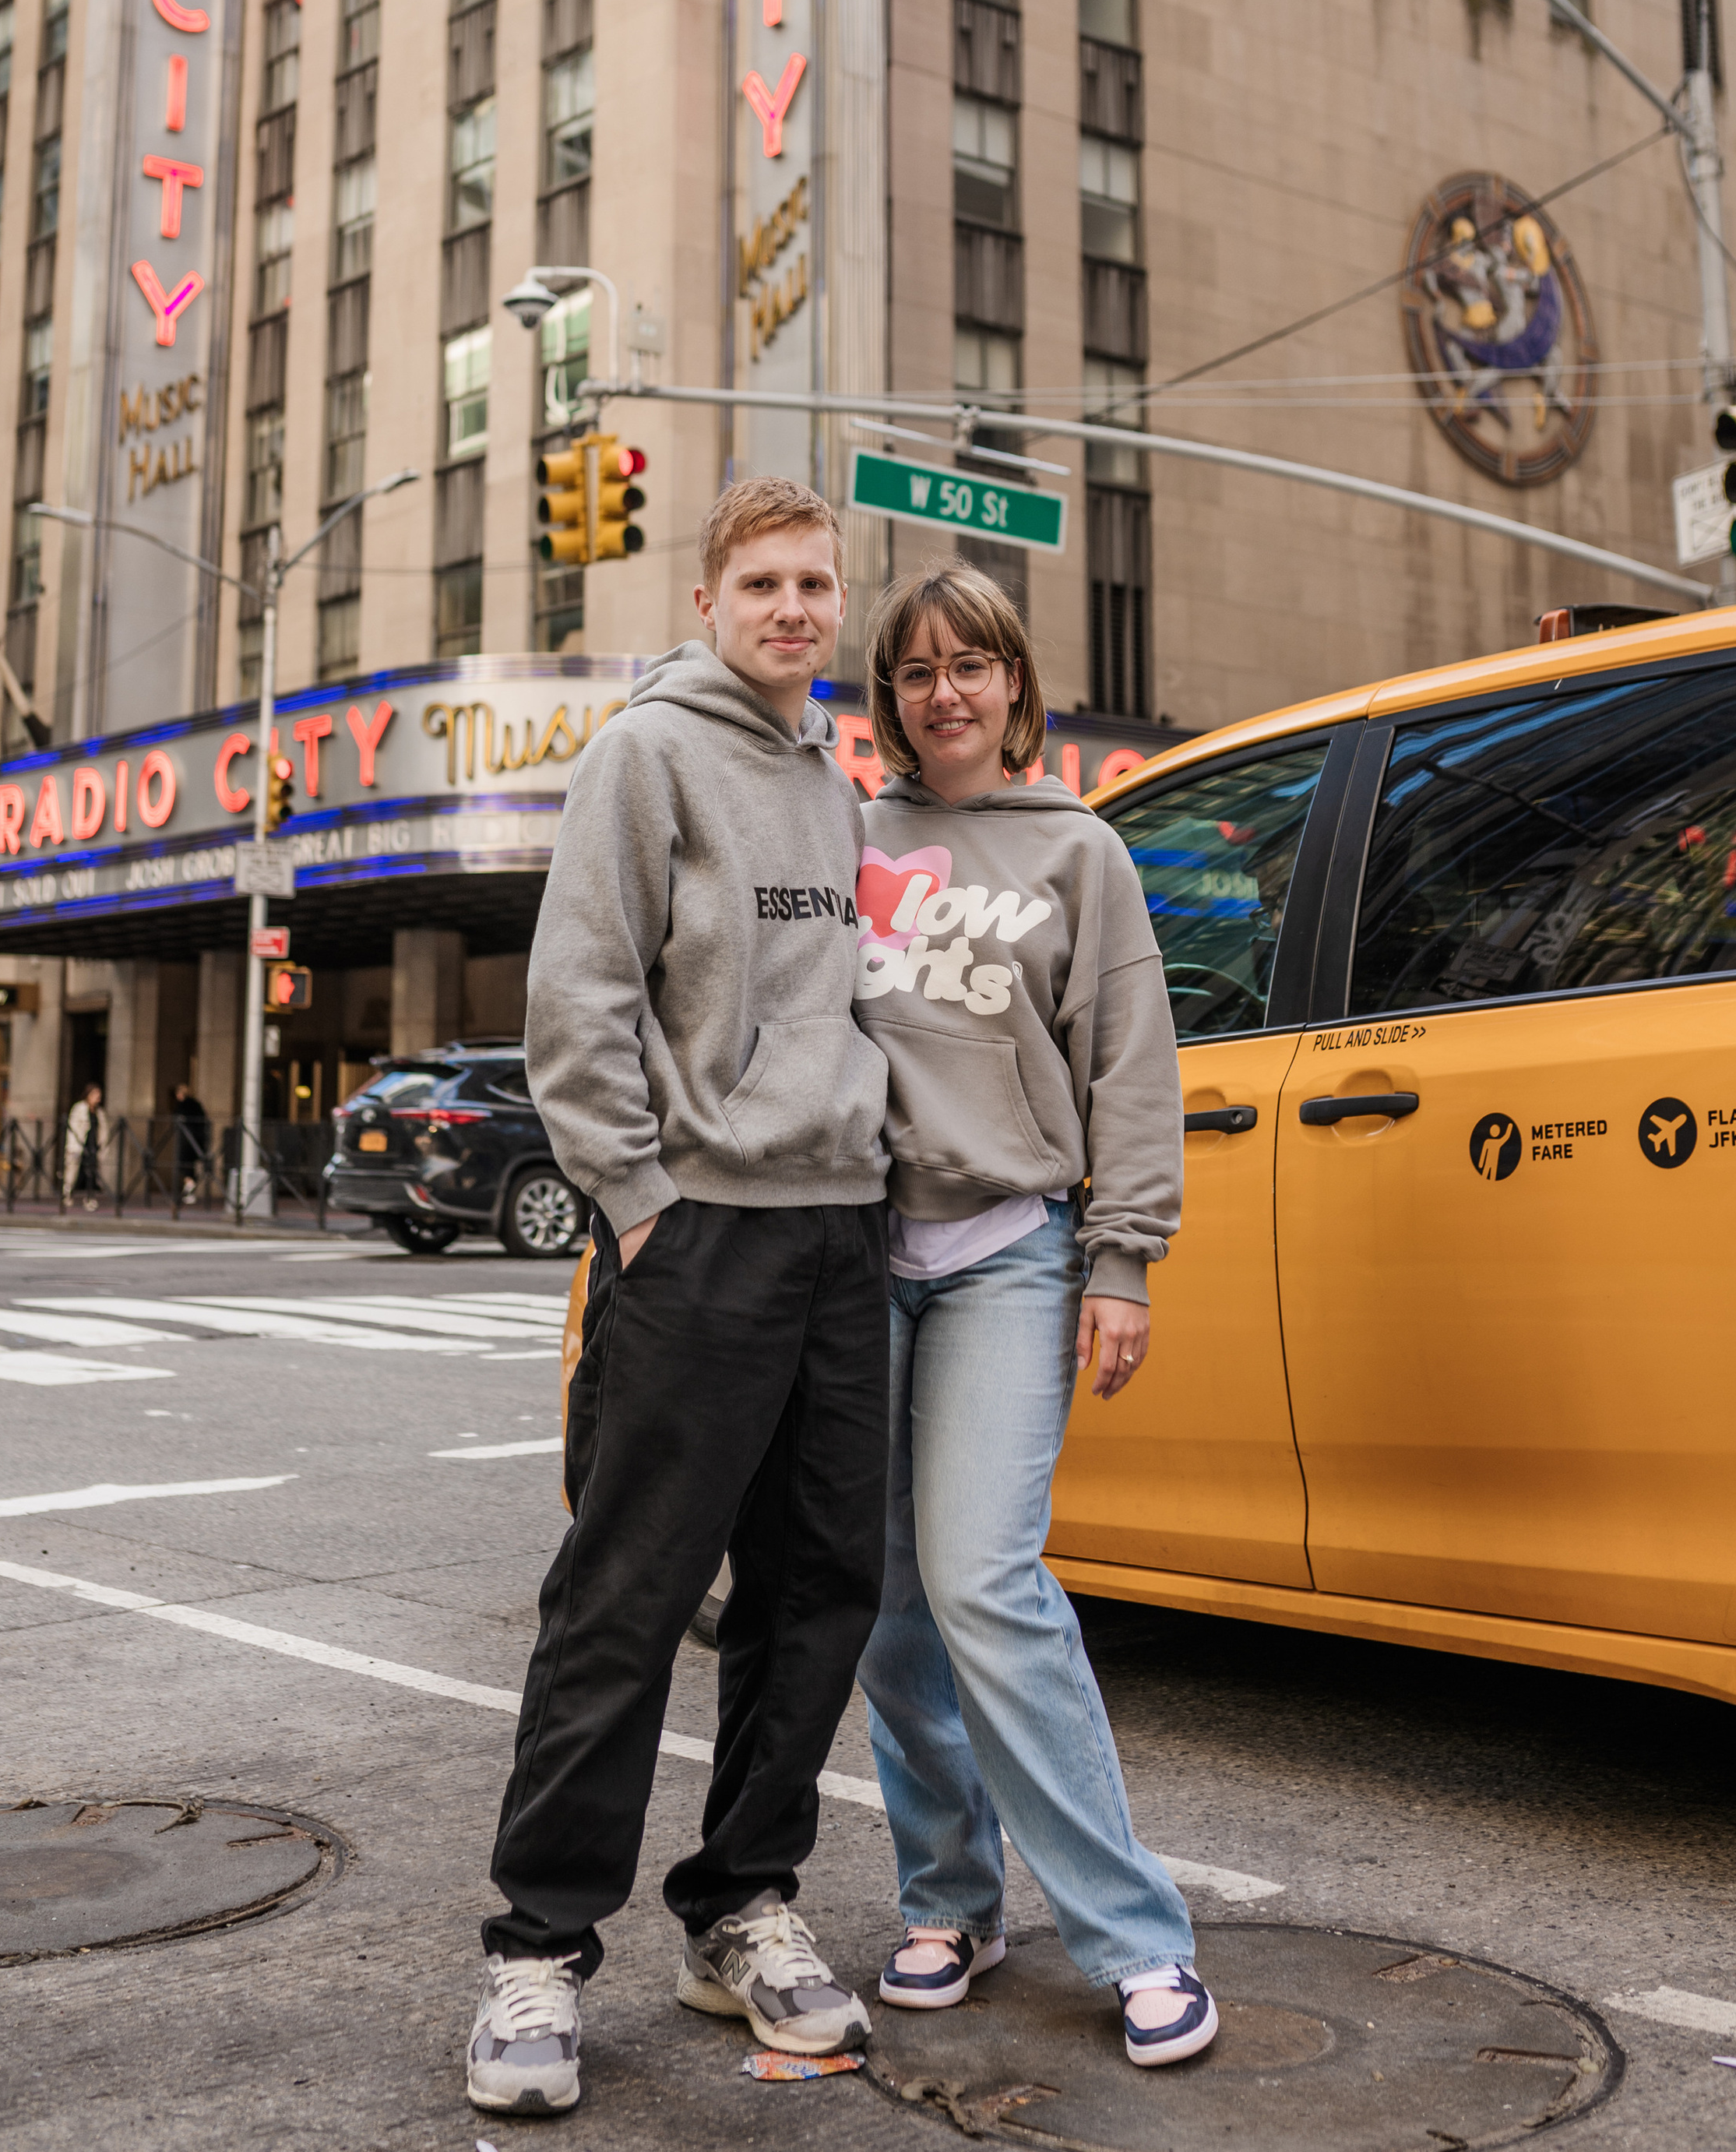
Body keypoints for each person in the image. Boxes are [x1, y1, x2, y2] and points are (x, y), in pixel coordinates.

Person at [466, 477, 892, 2121]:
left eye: (816, 584)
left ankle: (741, 1907)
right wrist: (638, 1205)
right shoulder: (646, 754)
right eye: (763, 582)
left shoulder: (832, 780)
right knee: (627, 1599)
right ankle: (537, 1947)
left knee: (815, 1592)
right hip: (700, 1234)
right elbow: (577, 998)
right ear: (710, 602)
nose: (793, 608)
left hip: (839, 1236)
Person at [851, 562, 1218, 2072]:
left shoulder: (1079, 849)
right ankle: (950, 1900)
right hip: (856, 1262)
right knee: (884, 1604)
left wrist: (1122, 1260)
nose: (945, 690)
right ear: (890, 695)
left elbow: (1132, 1064)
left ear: (1014, 683)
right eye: (918, 669)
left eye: (971, 664)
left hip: (1010, 1249)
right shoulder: (848, 837)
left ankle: (1135, 1935)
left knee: (984, 1581)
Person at [62, 1081, 104, 1210]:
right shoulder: (79, 1108)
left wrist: (101, 1145)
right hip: (79, 1145)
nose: (98, 1097)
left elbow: (103, 1130)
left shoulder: (99, 1112)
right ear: (88, 1095)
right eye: (95, 1094)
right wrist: (77, 1144)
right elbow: (73, 1128)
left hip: (93, 1145)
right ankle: (67, 1196)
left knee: (91, 1173)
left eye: (99, 1095)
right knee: (73, 1172)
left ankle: (90, 1198)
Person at [171, 1080, 212, 1205]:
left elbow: (178, 1118)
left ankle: (190, 1186)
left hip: (187, 1139)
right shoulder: (196, 1104)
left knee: (184, 1163)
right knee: (190, 1164)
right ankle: (190, 1189)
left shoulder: (183, 1105)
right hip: (198, 1139)